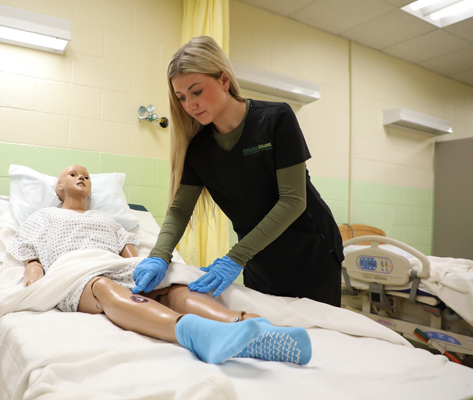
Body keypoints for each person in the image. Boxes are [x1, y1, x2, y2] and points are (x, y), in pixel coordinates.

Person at [6, 164, 312, 365]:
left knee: (175, 288)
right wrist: (38, 280)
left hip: (116, 268)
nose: (82, 177)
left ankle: (249, 325)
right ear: (58, 188)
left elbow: (134, 259)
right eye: (73, 175)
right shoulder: (42, 217)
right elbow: (32, 260)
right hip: (79, 275)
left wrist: (152, 274)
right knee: (103, 285)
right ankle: (192, 332)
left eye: (86, 175)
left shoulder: (108, 220)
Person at [132, 36, 344, 307]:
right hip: (258, 260)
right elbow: (180, 210)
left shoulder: (275, 119)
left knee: (323, 341)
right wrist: (159, 255)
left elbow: (293, 201)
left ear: (224, 80)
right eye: (181, 97)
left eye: (196, 92)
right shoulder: (199, 149)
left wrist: (235, 257)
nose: (189, 105)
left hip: (311, 253)